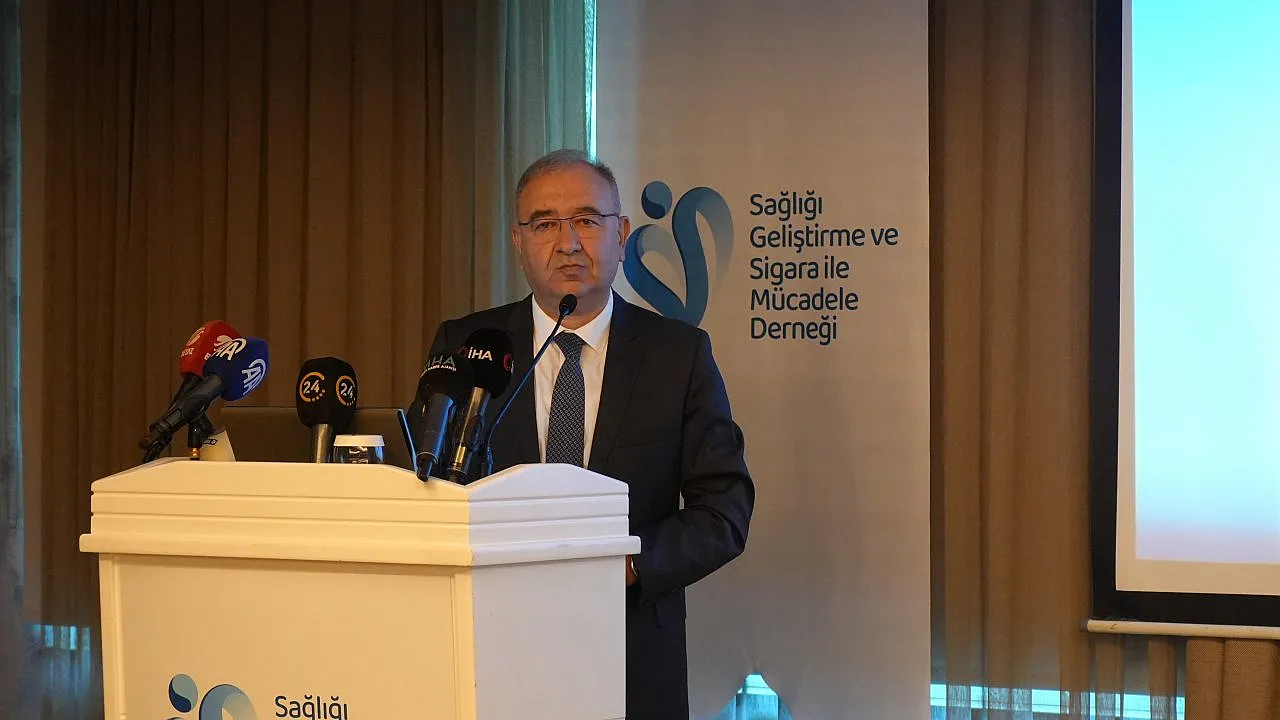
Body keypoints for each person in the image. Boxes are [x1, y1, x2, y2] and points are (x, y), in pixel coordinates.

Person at [412, 148, 754, 719]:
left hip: (630, 656)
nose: (568, 242)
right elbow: (424, 486)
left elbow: (725, 508)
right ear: (518, 241)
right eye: (544, 223)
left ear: (621, 234)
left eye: (587, 220)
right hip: (488, 651)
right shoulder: (467, 346)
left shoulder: (678, 355)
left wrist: (626, 566)